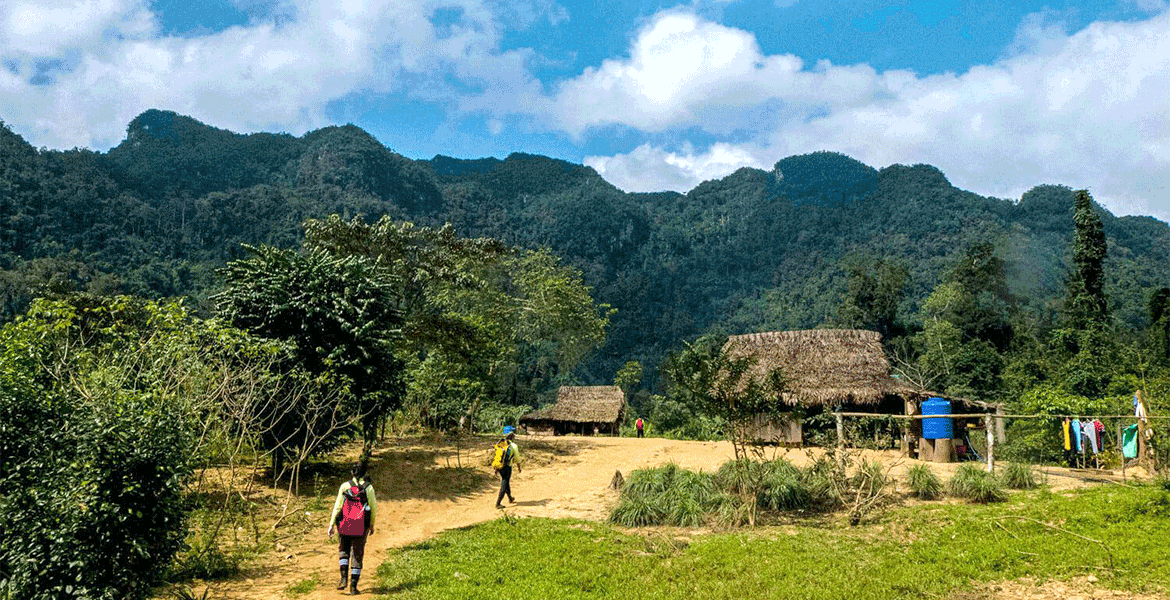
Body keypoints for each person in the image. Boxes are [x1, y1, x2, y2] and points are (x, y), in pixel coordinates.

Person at [327, 462, 377, 595]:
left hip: (345, 525)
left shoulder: (345, 486)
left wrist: (331, 524)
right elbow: (373, 508)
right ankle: (353, 587)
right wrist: (371, 525)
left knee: (343, 550)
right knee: (357, 554)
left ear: (352, 473)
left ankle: (343, 579)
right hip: (361, 527)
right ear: (365, 473)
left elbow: (338, 506)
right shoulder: (368, 488)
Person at [494, 426, 522, 509]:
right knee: (504, 483)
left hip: (499, 466)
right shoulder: (513, 446)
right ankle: (498, 503)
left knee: (506, 482)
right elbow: (517, 458)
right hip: (507, 467)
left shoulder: (501, 444)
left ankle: (510, 498)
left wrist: (496, 468)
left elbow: (497, 457)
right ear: (511, 435)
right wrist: (519, 467)